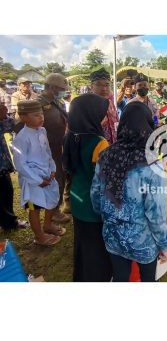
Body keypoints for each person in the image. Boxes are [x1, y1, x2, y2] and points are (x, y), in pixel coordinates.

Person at [91, 102, 167, 282]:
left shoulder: (106, 154)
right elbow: (156, 213)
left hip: (112, 235)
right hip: (142, 241)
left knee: (120, 277)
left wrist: (109, 217)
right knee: (148, 279)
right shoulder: (151, 165)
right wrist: (164, 245)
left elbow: (96, 195)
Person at [62, 93, 112, 281]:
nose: (104, 117)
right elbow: (104, 179)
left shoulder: (69, 136)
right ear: (90, 114)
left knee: (81, 243)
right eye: (102, 113)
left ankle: (80, 276)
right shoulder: (99, 143)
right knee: (96, 248)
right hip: (93, 203)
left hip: (76, 196)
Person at [11, 100, 65, 246]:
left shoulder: (42, 130)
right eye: (36, 115)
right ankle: (39, 236)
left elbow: (47, 151)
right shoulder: (21, 138)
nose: (41, 117)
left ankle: (47, 225)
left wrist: (52, 168)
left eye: (41, 114)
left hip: (47, 172)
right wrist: (37, 180)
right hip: (32, 179)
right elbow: (20, 164)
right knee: (34, 208)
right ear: (24, 117)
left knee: (52, 198)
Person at [35, 73, 69, 223]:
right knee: (53, 180)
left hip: (58, 146)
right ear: (53, 87)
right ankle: (52, 212)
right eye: (62, 88)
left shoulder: (56, 101)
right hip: (46, 149)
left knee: (60, 177)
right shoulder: (37, 103)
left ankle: (56, 208)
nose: (64, 91)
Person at [0, 103, 28, 230]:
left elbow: (13, 125)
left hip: (2, 165)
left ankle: (8, 222)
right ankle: (8, 221)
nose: (4, 107)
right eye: (1, 106)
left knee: (6, 191)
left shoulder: (3, 121)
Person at [90, 68, 119, 144]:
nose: (104, 89)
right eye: (99, 84)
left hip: (113, 147)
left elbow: (116, 123)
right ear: (91, 86)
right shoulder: (87, 106)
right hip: (96, 149)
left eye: (107, 85)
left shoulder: (110, 103)